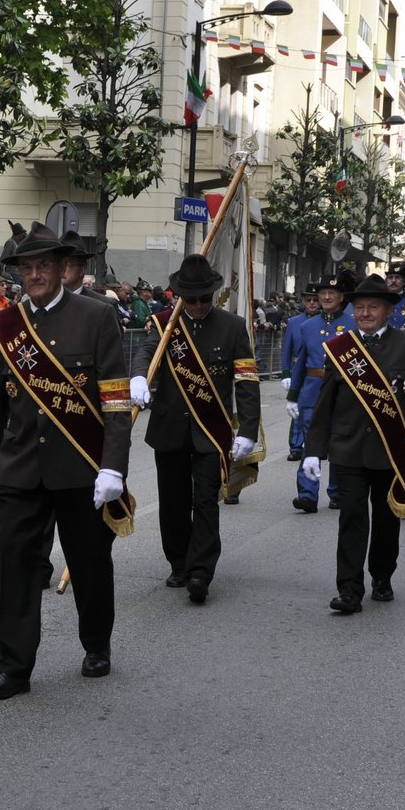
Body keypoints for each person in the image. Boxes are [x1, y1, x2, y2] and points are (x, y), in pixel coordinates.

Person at [0, 222, 132, 698]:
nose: (36, 274)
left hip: (80, 467)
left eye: (44, 265)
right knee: (17, 567)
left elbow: (116, 400)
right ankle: (14, 667)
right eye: (28, 266)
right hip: (21, 466)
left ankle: (96, 643)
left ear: (63, 268)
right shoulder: (8, 326)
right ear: (20, 272)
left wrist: (113, 466)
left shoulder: (97, 316)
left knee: (89, 563)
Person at [302, 274, 405, 613]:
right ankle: (349, 588)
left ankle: (382, 576)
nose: (365, 313)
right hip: (347, 448)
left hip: (390, 450)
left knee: (385, 518)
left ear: (388, 310)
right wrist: (313, 452)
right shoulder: (339, 348)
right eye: (360, 307)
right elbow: (325, 403)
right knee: (350, 517)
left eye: (373, 307)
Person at [129, 255, 259, 604]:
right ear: (179, 297)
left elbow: (246, 380)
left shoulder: (232, 327)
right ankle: (179, 562)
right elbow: (145, 353)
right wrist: (139, 376)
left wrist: (248, 429)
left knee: (204, 500)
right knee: (173, 502)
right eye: (192, 299)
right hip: (169, 428)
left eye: (205, 298)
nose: (199, 305)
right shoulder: (164, 324)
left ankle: (201, 571)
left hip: (211, 429)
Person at [285, 273, 355, 514]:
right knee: (309, 444)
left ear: (341, 297)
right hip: (312, 392)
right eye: (322, 293)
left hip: (342, 392)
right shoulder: (307, 326)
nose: (326, 297)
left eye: (332, 293)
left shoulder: (353, 325)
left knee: (338, 444)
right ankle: (307, 494)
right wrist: (293, 396)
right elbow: (301, 362)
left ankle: (336, 493)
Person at [281, 284, 319, 462]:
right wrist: (286, 373)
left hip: (316, 371)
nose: (312, 303)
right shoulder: (294, 322)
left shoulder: (326, 322)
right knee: (297, 408)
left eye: (315, 300)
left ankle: (318, 444)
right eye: (308, 300)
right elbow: (287, 348)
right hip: (299, 371)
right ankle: (296, 446)